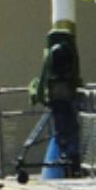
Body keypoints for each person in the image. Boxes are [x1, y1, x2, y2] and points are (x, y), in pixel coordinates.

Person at [30, 27, 83, 175]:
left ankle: (65, 156)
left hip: (55, 97)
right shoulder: (71, 53)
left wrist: (39, 96)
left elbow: (43, 78)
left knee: (61, 129)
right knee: (71, 128)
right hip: (69, 96)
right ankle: (72, 158)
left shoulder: (51, 55)